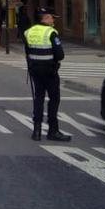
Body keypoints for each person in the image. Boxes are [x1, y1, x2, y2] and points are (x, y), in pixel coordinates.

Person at [24, 8, 70, 142]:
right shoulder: (51, 32)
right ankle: (53, 130)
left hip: (35, 70)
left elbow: (27, 51)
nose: (54, 21)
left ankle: (36, 131)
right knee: (54, 99)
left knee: (38, 99)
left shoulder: (29, 32)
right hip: (50, 71)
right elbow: (60, 55)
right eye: (53, 18)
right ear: (47, 17)